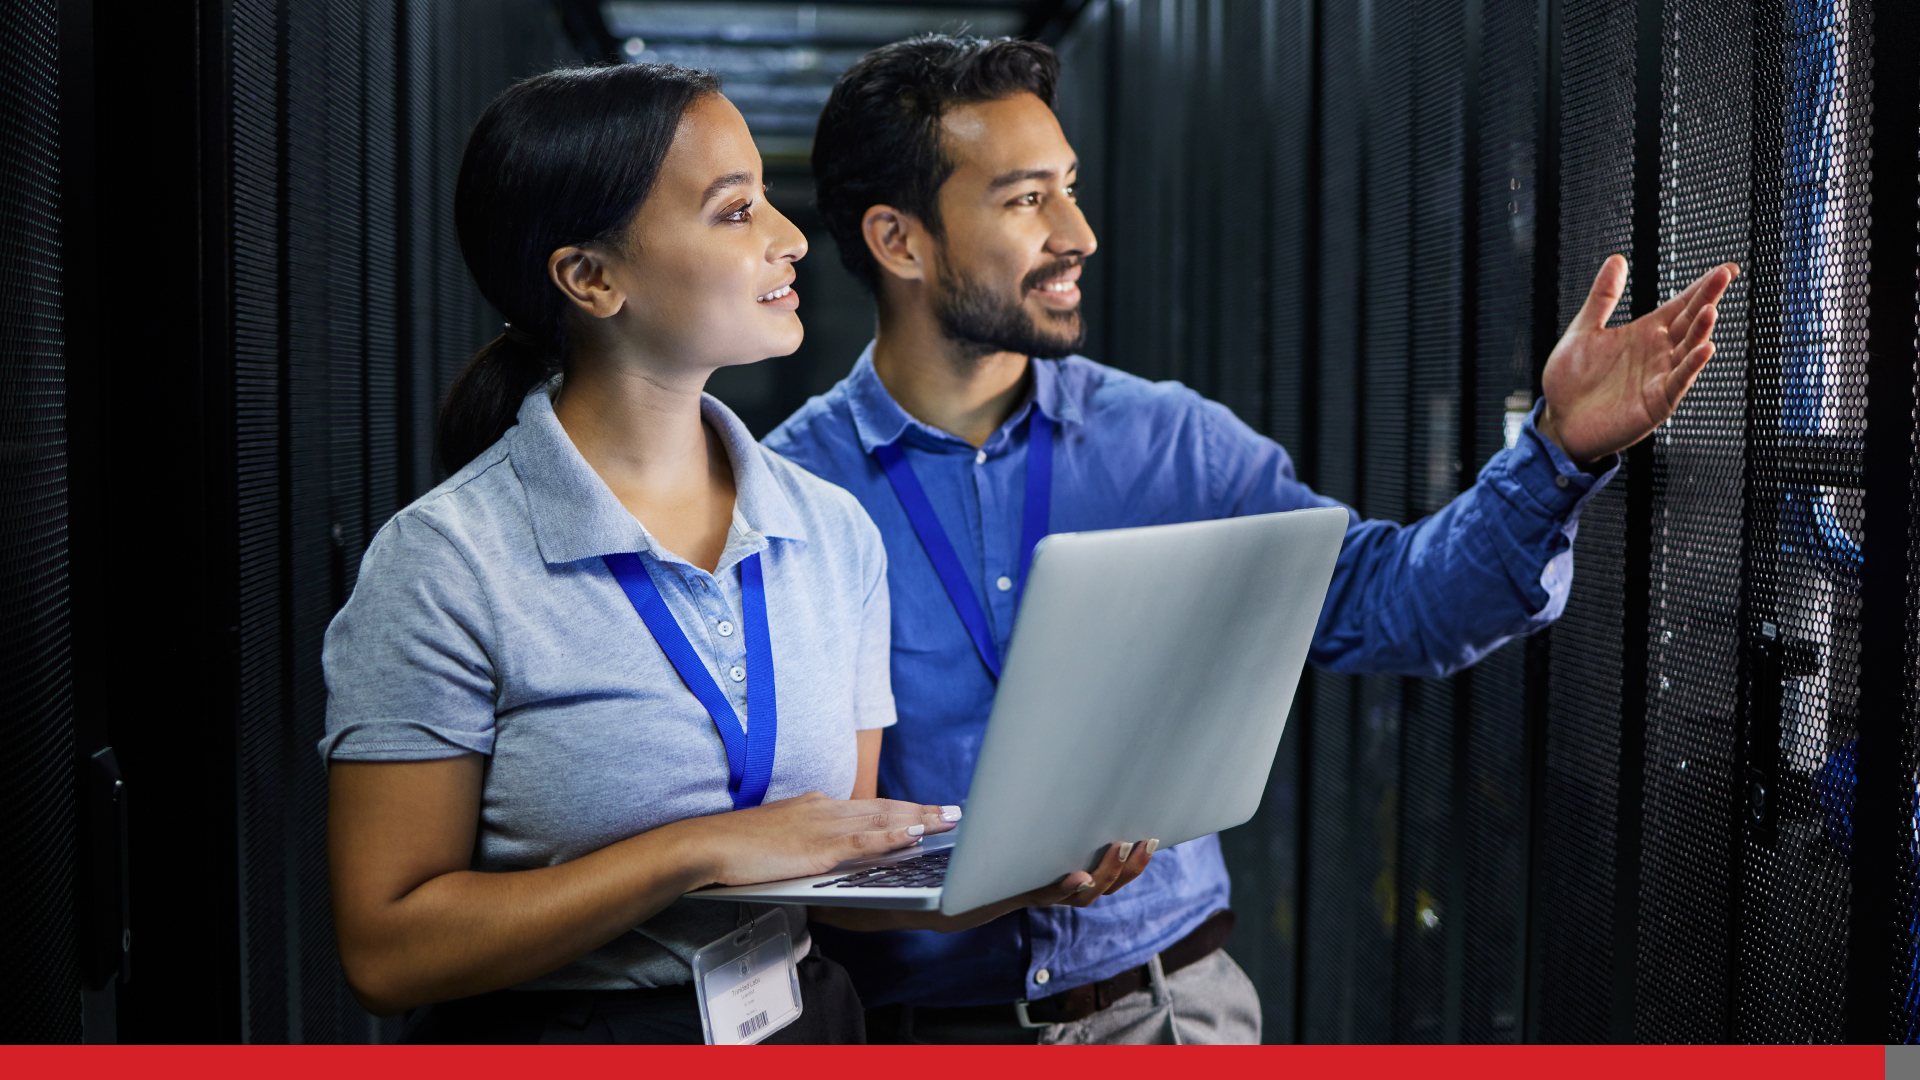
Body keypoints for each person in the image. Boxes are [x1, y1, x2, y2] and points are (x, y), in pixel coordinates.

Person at [765, 35, 1738, 1044]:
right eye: (1025, 200)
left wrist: (1557, 452)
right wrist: (959, 873)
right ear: (900, 242)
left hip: (1163, 1015)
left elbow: (1391, 604)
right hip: (909, 1030)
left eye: (1071, 188)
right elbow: (773, 823)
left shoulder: (1173, 442)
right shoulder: (786, 494)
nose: (1080, 233)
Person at [319, 62, 1150, 1045]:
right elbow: (387, 952)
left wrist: (1010, 872)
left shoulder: (832, 530)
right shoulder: (444, 564)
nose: (789, 239)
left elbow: (832, 875)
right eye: (735, 211)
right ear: (592, 277)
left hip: (804, 1022)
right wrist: (699, 850)